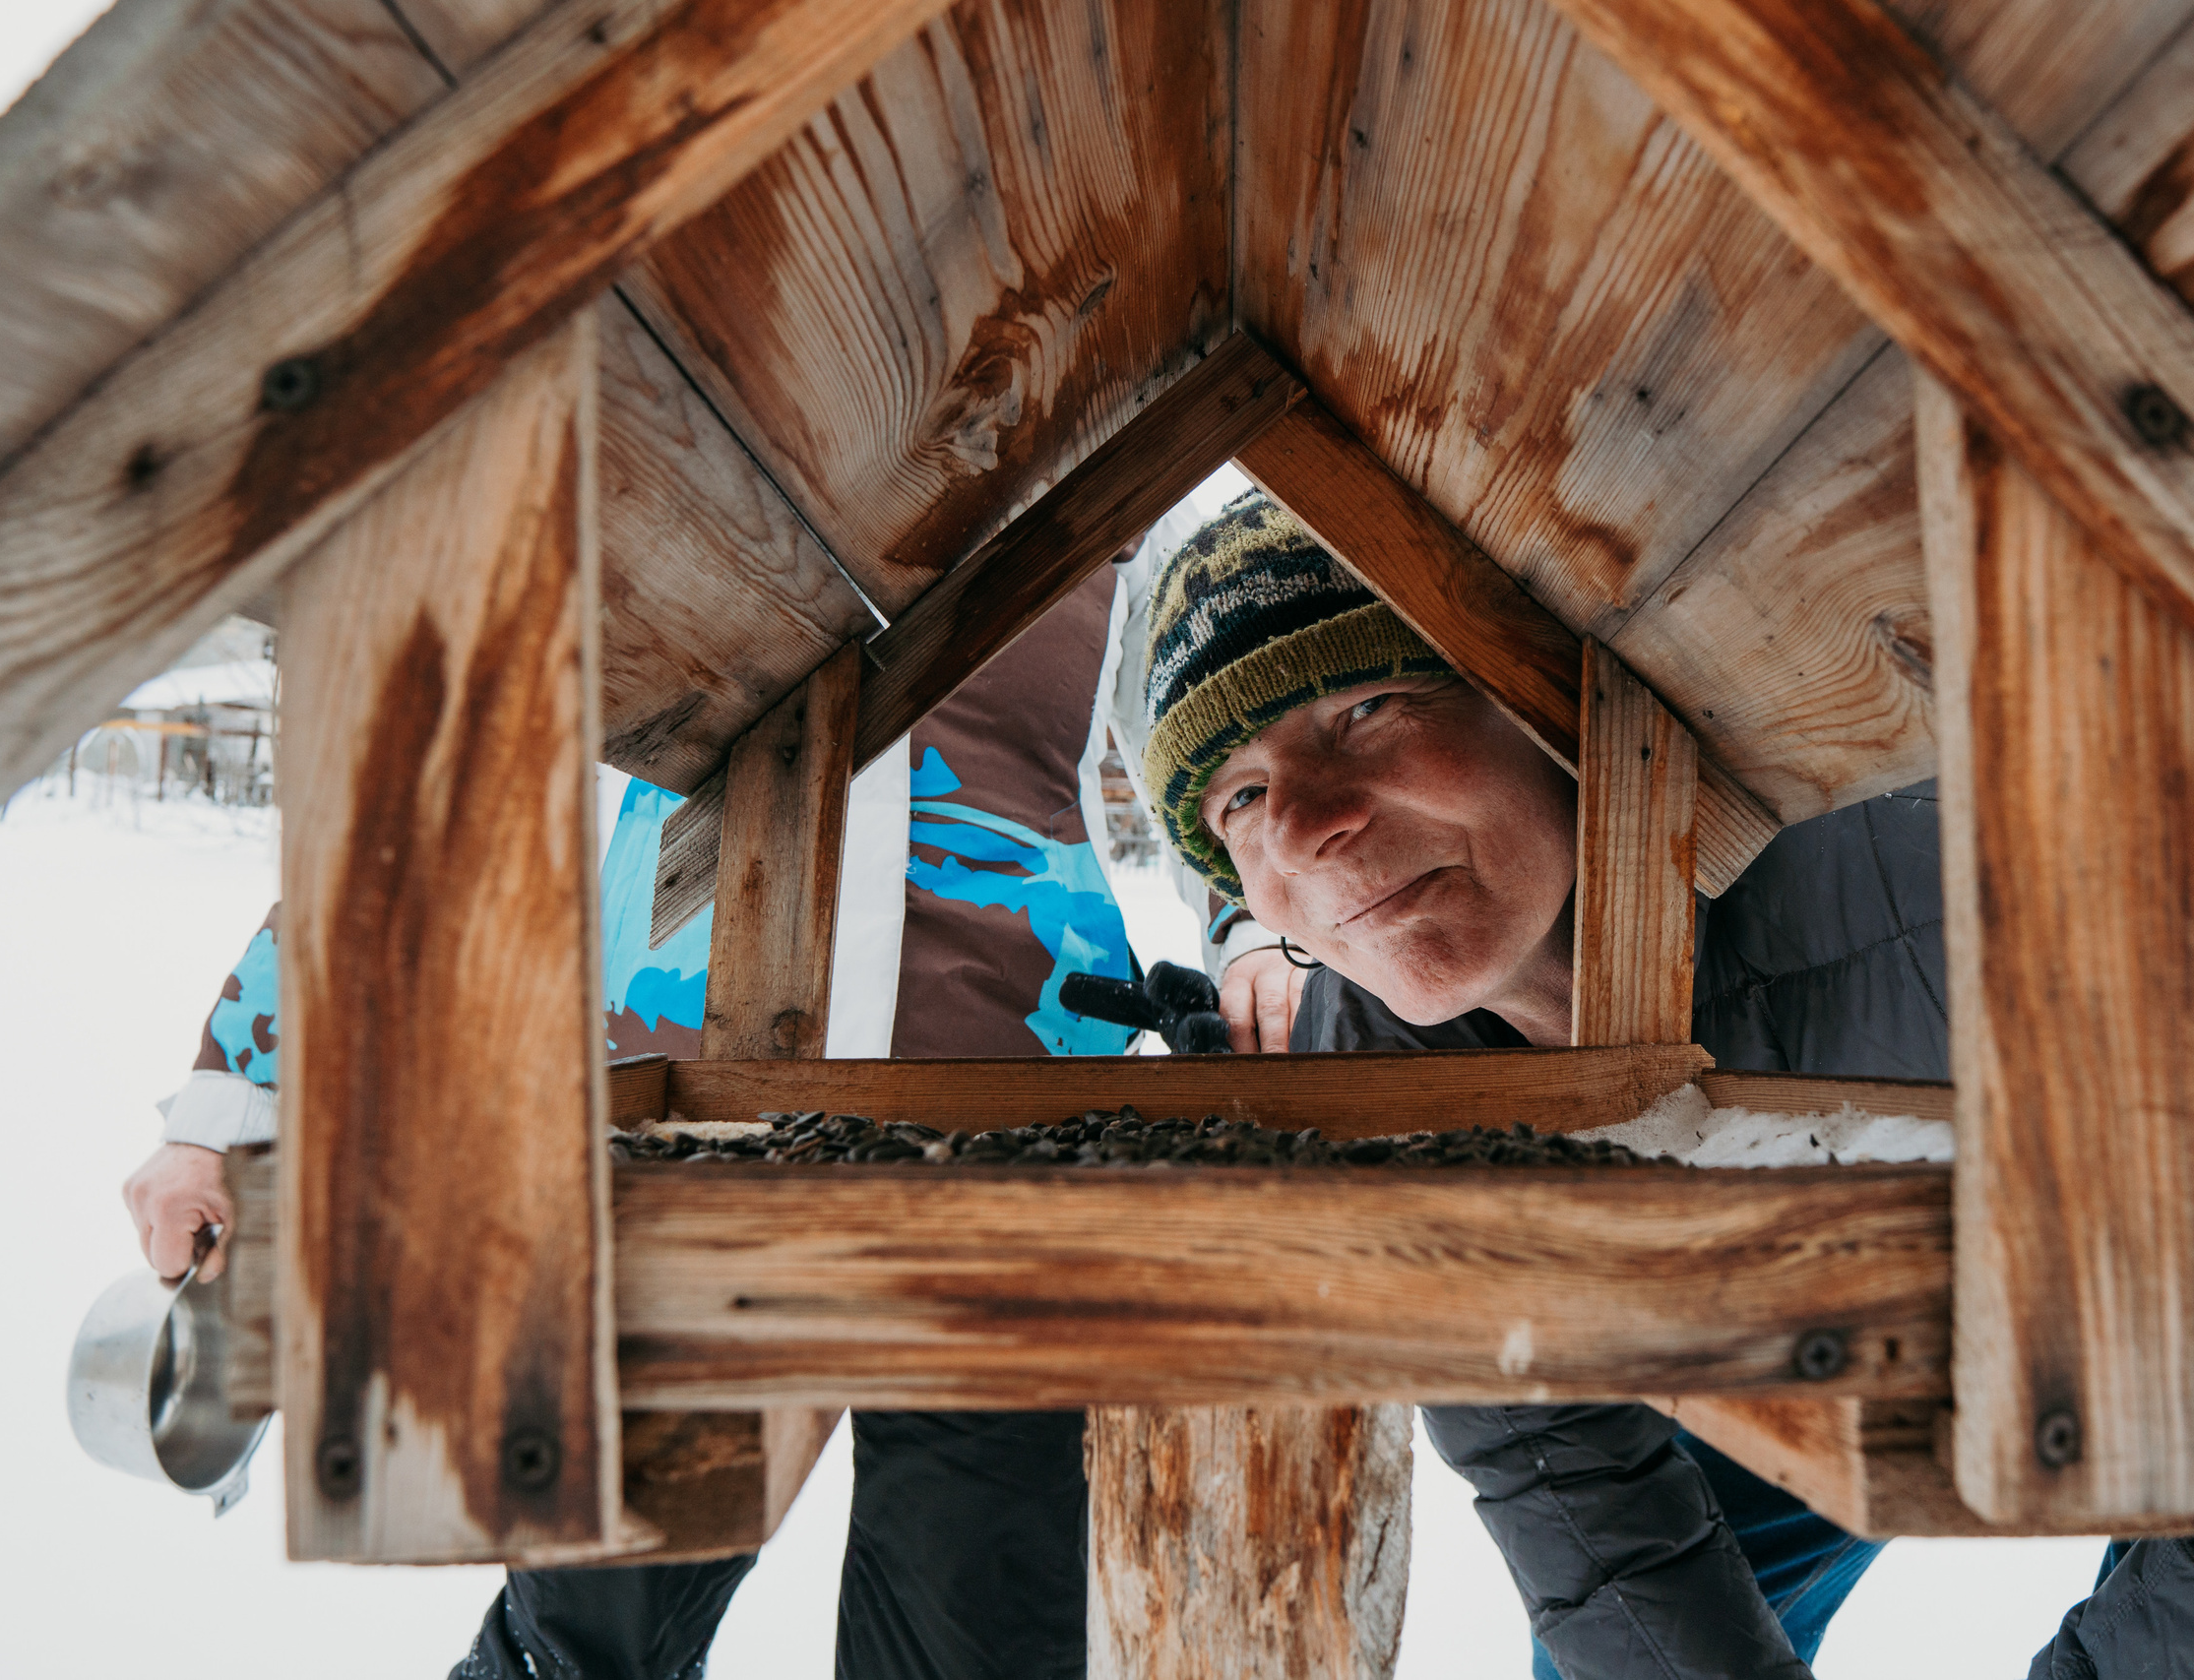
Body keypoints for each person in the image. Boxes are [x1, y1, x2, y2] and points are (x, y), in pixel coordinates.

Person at [1131, 490, 2194, 1677]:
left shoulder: (2012, 862)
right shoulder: (1398, 1053)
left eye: (1367, 706)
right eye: (1242, 792)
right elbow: (1552, 1444)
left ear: (1542, 700)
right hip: (1856, 1331)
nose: (1306, 825)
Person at [117, 477, 1312, 1680]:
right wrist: (242, 1096)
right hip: (690, 1135)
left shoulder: (1104, 458)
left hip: (1007, 1139)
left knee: (972, 1636)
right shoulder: (649, 450)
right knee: (590, 1629)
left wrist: (1257, 929)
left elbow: (1211, 732)